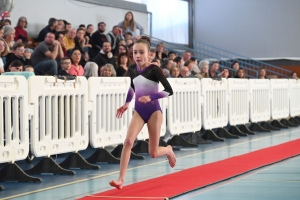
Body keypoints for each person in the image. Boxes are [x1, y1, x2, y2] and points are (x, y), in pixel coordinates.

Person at [109, 36, 176, 190]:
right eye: (134, 53)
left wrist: (151, 97)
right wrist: (127, 103)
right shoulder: (132, 69)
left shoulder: (154, 70)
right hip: (139, 110)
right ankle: (121, 179)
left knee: (153, 152)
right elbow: (133, 87)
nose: (137, 56)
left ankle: (168, 150)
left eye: (141, 52)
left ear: (149, 54)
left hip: (154, 112)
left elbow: (169, 91)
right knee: (128, 141)